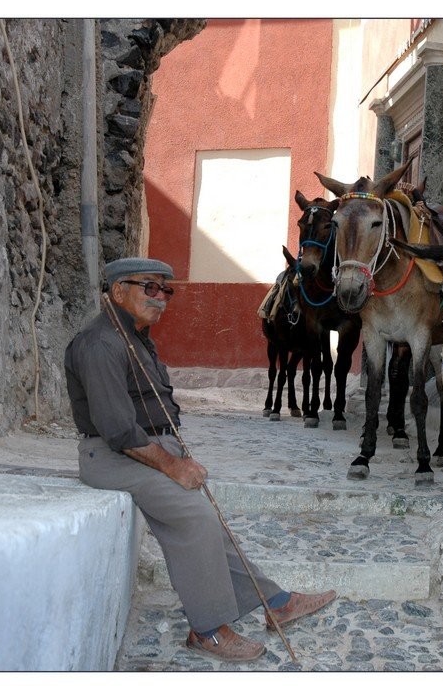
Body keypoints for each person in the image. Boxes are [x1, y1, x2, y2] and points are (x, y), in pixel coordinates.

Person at [64, 256, 336, 662]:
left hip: (143, 450)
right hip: (110, 456)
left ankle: (275, 601)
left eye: (165, 290)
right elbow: (118, 430)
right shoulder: (100, 343)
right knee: (196, 520)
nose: (160, 298)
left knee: (212, 526)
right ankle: (206, 630)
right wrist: (173, 464)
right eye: (149, 287)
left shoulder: (134, 335)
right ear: (119, 291)